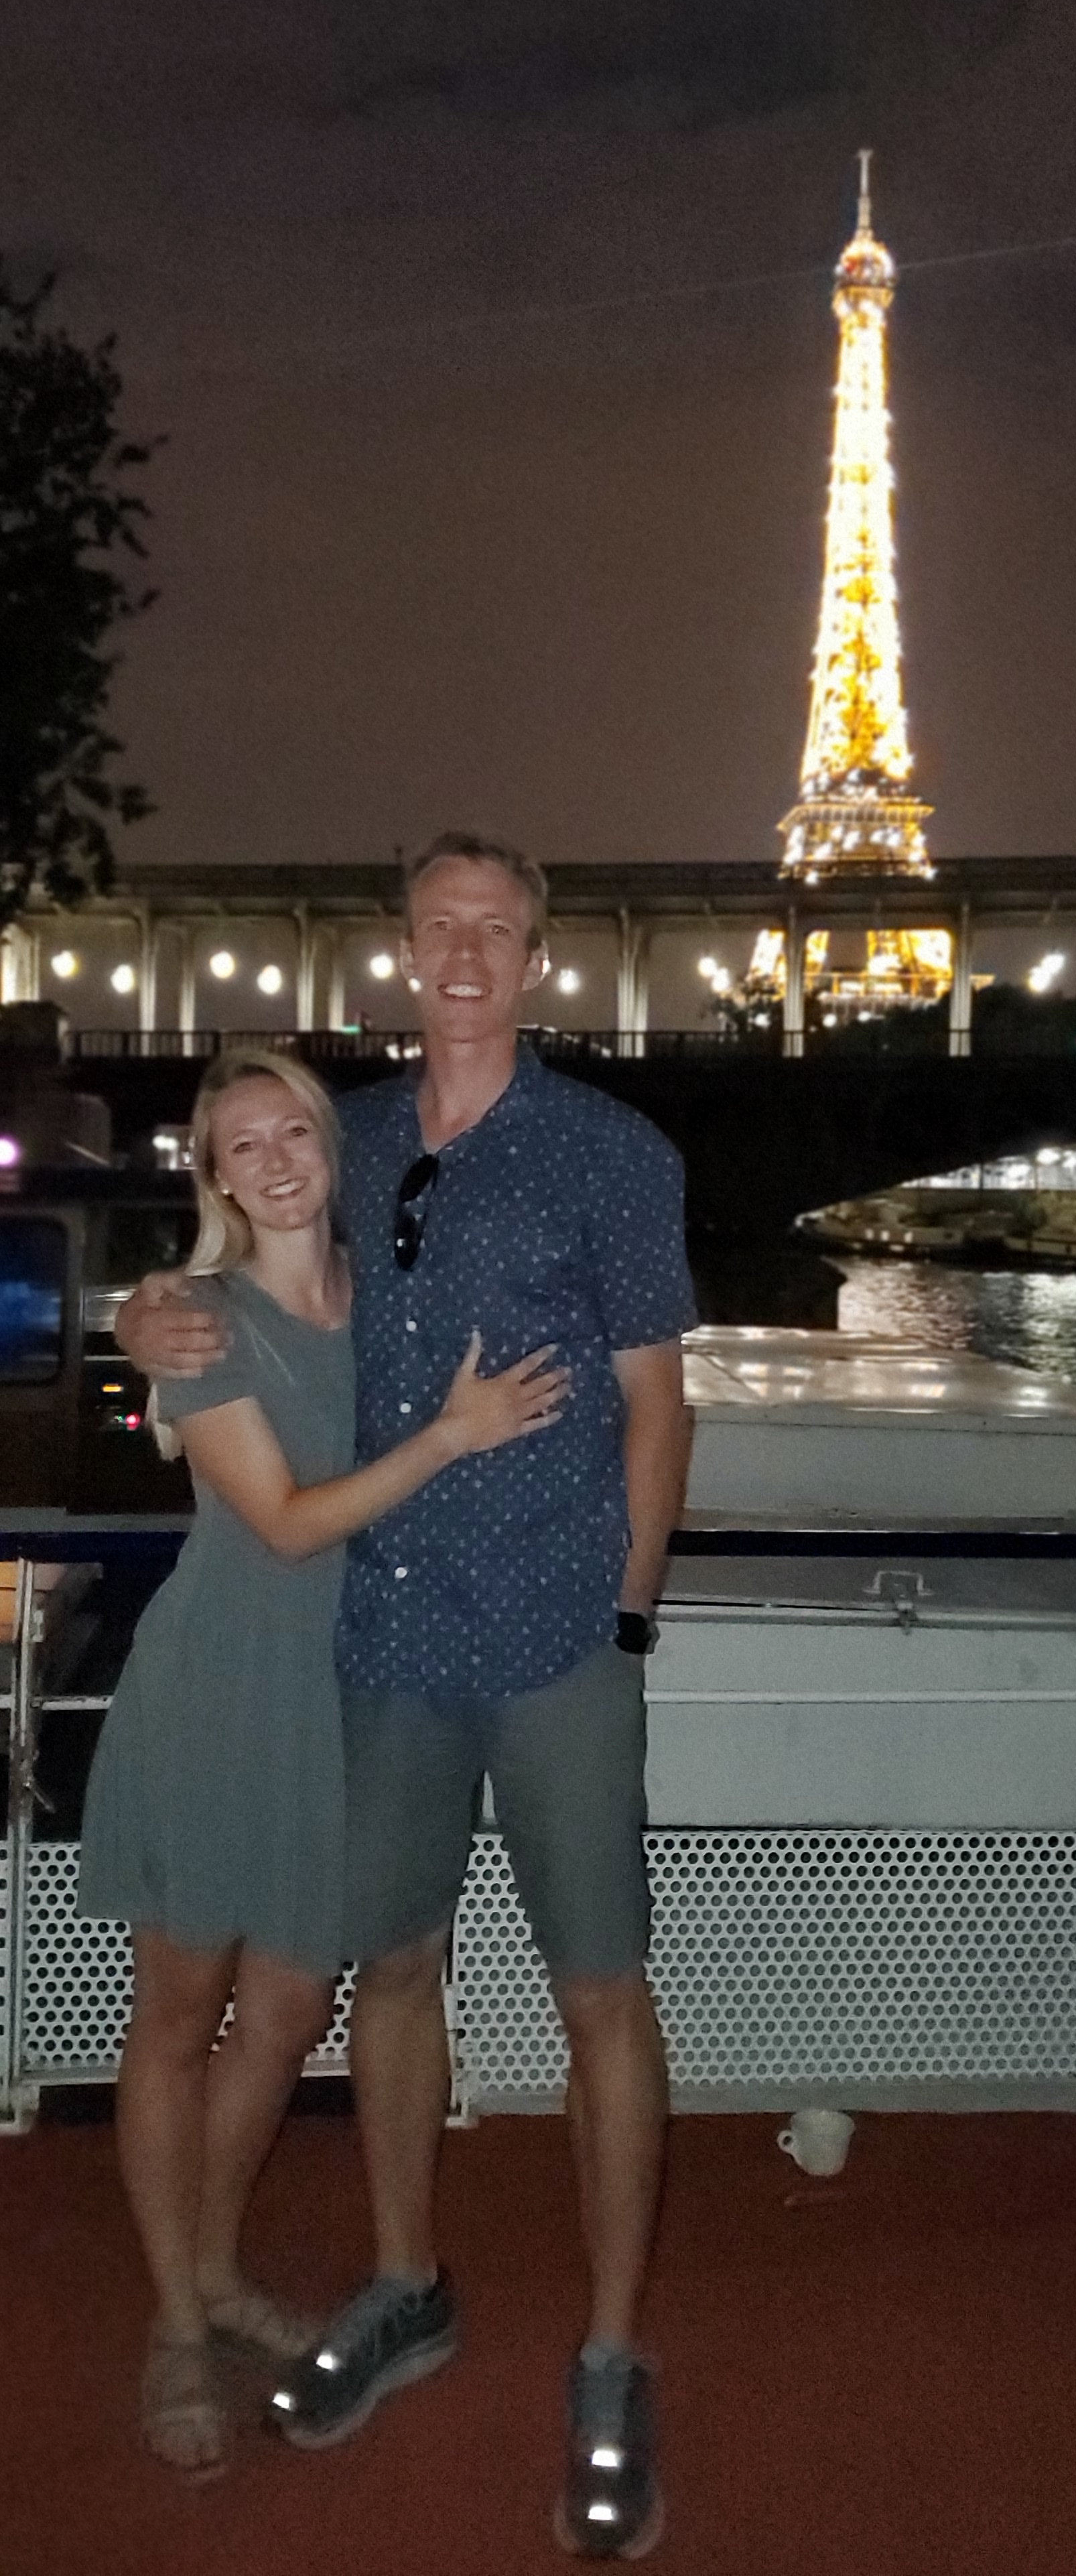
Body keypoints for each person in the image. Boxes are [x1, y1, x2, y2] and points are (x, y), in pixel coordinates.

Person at [118, 834, 697, 2557]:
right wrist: (148, 1318)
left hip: (558, 1633)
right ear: (402, 948)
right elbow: (233, 1261)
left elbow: (658, 1408)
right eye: (438, 925)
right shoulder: (345, 1135)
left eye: (494, 929)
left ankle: (609, 2349)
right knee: (390, 1969)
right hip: (379, 1638)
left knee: (602, 1990)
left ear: (536, 960)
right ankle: (401, 2280)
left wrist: (629, 1617)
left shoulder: (613, 1152)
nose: (463, 952)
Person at [84, 1045, 567, 2482]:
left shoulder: (392, 1300)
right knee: (179, 2014)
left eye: (294, 1130)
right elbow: (290, 1525)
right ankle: (179, 2322)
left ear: (329, 1147)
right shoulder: (202, 1322)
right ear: (215, 1177)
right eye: (243, 1144)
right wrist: (453, 1436)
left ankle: (216, 2268)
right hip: (222, 1688)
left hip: (350, 1697)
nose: (277, 1159)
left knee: (289, 2012)